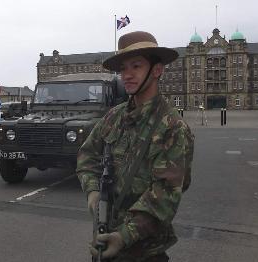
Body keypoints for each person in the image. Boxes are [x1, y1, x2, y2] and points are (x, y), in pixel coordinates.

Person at [76, 31, 194, 262]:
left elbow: (165, 196)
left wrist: (122, 237)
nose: (127, 75)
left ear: (157, 70)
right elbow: (87, 154)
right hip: (103, 243)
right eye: (123, 69)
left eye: (136, 66)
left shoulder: (172, 128)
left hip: (144, 252)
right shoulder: (114, 117)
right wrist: (92, 191)